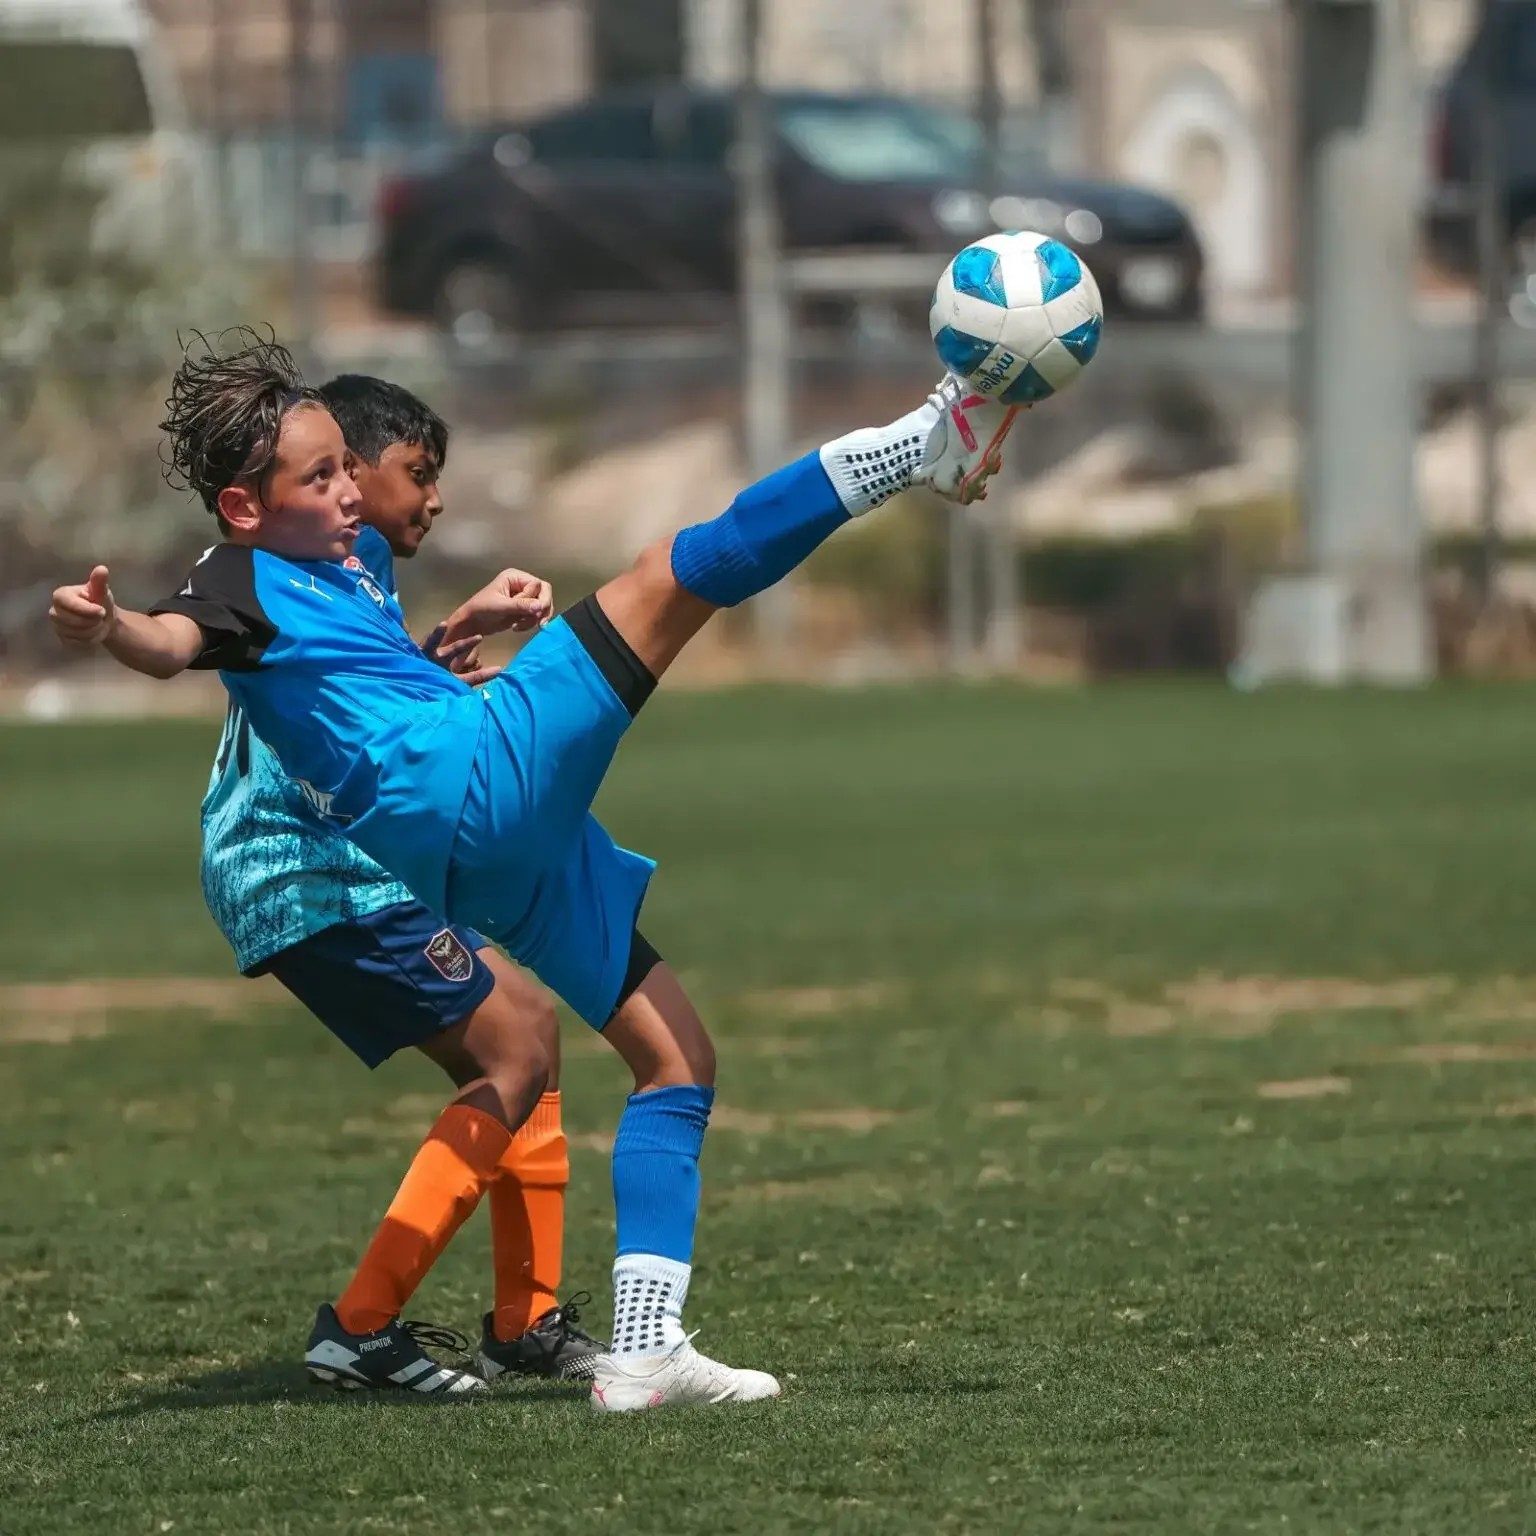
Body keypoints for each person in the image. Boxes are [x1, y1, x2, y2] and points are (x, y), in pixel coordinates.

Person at [49, 329, 1019, 1410]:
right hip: (479, 781)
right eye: (320, 477)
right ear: (244, 508)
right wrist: (108, 629)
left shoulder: (347, 567)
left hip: (486, 858)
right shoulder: (241, 576)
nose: (350, 493)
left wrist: (459, 627)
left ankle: (645, 1350)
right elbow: (172, 641)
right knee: (678, 568)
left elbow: (356, 689)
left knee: (678, 1062)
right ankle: (918, 446)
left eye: (342, 468)